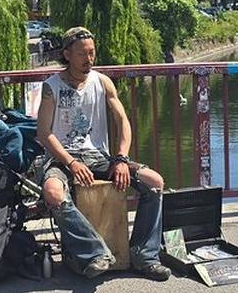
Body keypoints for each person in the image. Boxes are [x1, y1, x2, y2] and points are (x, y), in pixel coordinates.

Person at [36, 26, 172, 281]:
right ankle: (95, 252)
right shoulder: (51, 86)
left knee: (154, 182)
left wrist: (120, 158)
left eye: (92, 53)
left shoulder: (102, 82)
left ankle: (144, 255)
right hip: (60, 158)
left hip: (97, 156)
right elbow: (44, 133)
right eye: (82, 54)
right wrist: (71, 162)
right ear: (66, 54)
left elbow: (123, 121)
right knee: (54, 193)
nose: (89, 59)